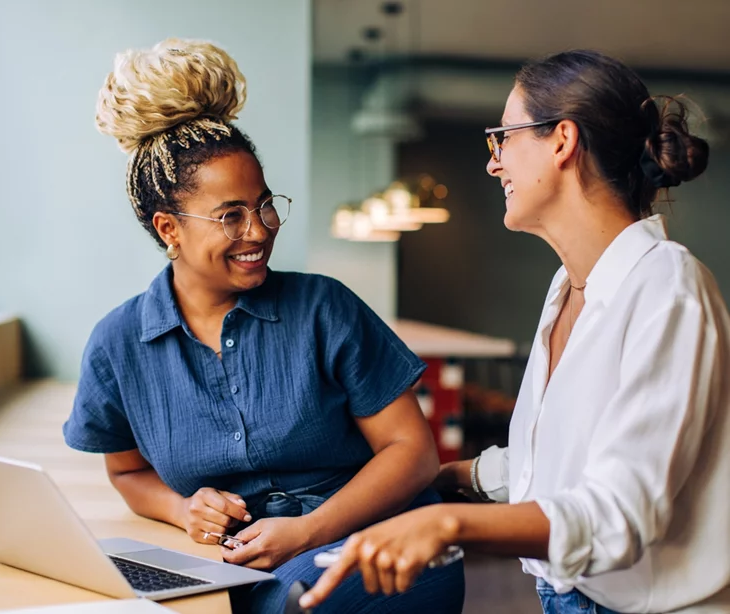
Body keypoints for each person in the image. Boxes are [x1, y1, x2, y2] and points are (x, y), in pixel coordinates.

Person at [301, 50, 730, 614]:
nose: (493, 163)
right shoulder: (566, 286)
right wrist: (446, 480)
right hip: (565, 597)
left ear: (561, 141)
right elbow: (556, 457)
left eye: (503, 138)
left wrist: (448, 522)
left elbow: (621, 512)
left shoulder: (668, 287)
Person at [62, 38, 464, 613]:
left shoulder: (325, 307)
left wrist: (309, 530)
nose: (260, 230)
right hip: (243, 557)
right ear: (168, 229)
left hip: (386, 537)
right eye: (231, 216)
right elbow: (126, 471)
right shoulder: (118, 343)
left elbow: (413, 452)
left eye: (264, 204)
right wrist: (183, 509)